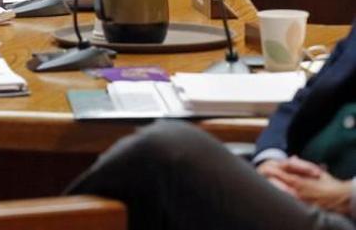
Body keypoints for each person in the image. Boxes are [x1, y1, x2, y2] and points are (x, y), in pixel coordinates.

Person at [67, 20, 356, 229]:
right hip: (298, 181)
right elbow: (305, 99)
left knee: (170, 150)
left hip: (343, 215)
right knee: (155, 194)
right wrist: (271, 161)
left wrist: (346, 196)